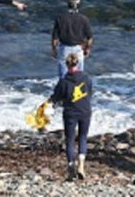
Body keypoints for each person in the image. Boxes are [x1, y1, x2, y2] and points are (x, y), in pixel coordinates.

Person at [50, 53, 93, 181]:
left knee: (69, 140)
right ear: (78, 63)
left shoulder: (63, 81)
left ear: (66, 65)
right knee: (83, 137)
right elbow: (89, 93)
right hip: (85, 110)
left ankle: (71, 166)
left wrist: (48, 104)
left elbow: (56, 97)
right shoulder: (86, 78)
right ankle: (81, 165)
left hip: (70, 112)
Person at [52, 0, 93, 79]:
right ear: (78, 3)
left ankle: (64, 92)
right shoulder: (83, 19)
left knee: (63, 77)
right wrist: (87, 49)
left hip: (64, 48)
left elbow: (55, 38)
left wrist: (54, 49)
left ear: (67, 3)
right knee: (79, 77)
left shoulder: (60, 18)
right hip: (78, 48)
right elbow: (89, 37)